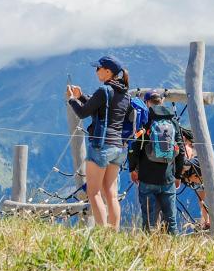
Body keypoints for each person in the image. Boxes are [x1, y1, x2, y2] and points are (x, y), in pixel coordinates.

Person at [66, 55, 130, 229]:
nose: (96, 71)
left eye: (98, 68)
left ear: (108, 71)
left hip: (101, 145)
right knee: (111, 194)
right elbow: (101, 108)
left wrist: (72, 99)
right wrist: (81, 96)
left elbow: (82, 113)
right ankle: (114, 233)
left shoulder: (104, 90)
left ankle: (102, 233)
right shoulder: (125, 93)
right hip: (118, 147)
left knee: (93, 192)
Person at [128, 89, 185, 235]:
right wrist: (178, 175)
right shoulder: (173, 122)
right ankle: (174, 246)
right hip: (168, 179)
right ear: (161, 102)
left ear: (147, 103)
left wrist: (133, 169)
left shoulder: (145, 121)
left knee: (149, 222)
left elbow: (134, 147)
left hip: (147, 178)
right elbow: (181, 151)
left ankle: (149, 247)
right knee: (171, 221)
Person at [179, 127, 214, 229]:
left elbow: (186, 163)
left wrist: (187, 177)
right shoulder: (194, 147)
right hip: (200, 176)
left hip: (200, 176)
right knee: (207, 198)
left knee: (205, 199)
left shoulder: (188, 147)